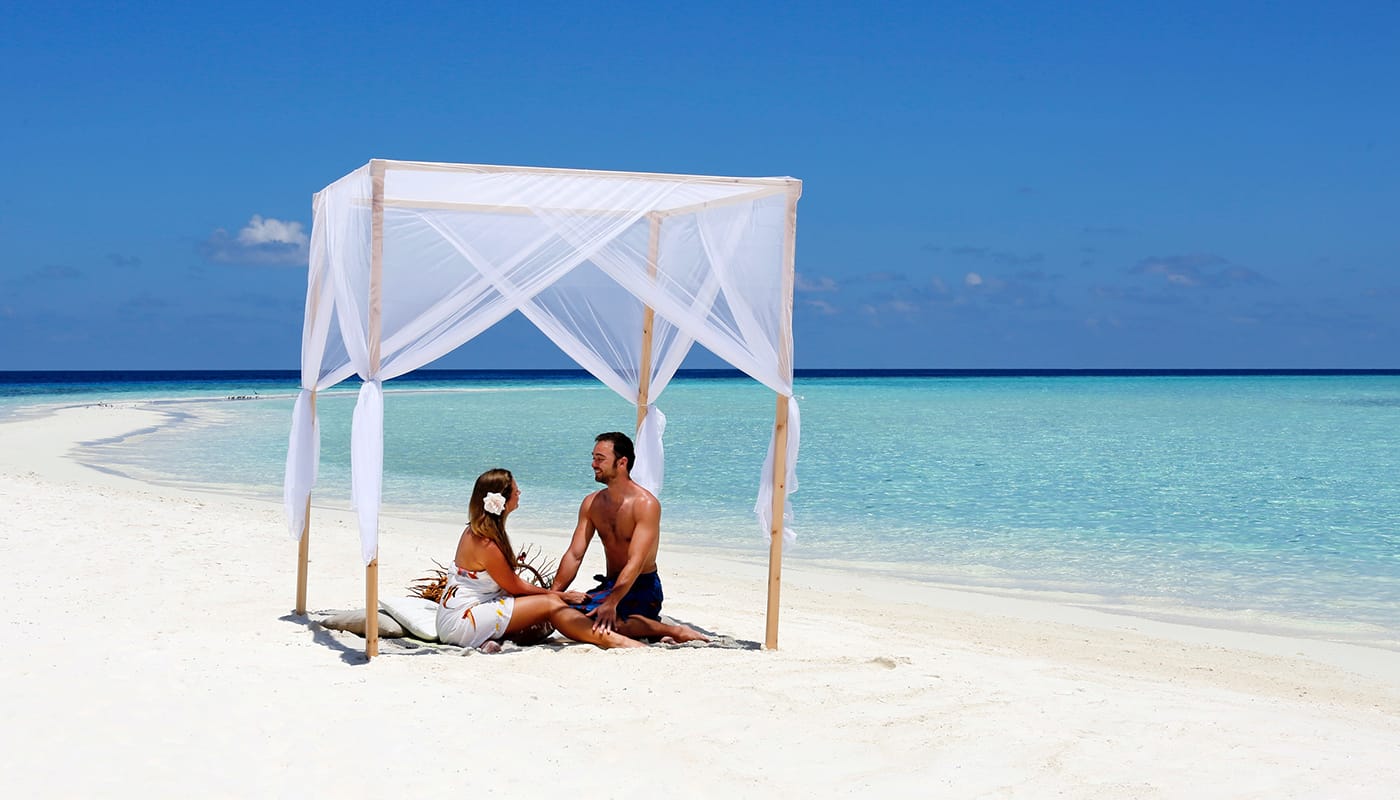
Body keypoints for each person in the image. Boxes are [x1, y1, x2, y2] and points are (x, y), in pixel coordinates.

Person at [436, 468, 645, 651]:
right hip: (462, 621)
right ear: (502, 500)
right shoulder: (485, 543)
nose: (519, 493)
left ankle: (488, 640)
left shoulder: (475, 532)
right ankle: (615, 641)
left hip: (455, 616)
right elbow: (515, 586)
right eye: (515, 490)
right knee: (551, 604)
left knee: (547, 604)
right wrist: (561, 596)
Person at [551, 432, 709, 643]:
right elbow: (574, 554)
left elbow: (636, 562)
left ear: (622, 462)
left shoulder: (645, 505)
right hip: (611, 585)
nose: (593, 464)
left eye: (600, 459)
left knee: (602, 623)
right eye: (593, 458)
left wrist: (611, 603)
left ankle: (674, 631)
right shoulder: (592, 503)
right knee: (560, 612)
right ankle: (641, 625)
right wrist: (554, 594)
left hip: (642, 585)